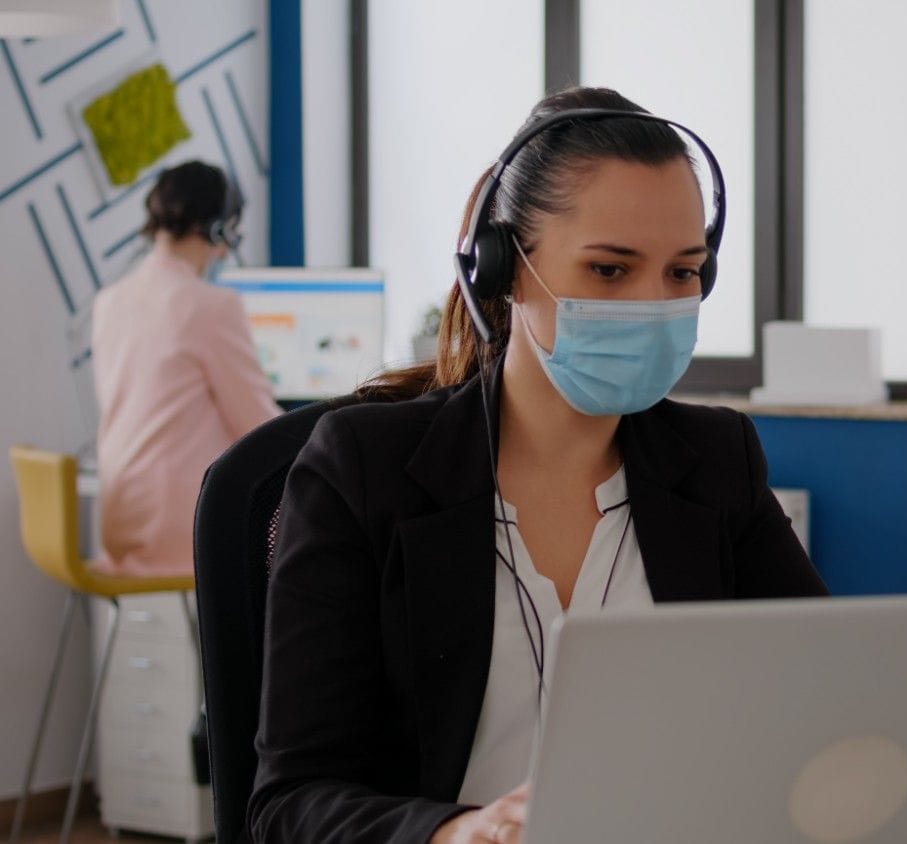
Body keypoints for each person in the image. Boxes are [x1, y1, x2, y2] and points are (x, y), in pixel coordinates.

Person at [248, 88, 828, 843]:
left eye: (683, 273)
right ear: (505, 271)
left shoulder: (719, 465)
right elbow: (289, 804)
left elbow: (825, 703)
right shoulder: (363, 470)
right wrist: (454, 834)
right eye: (610, 271)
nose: (653, 305)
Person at [92, 160, 279, 576]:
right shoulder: (210, 305)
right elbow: (258, 428)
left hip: (120, 524)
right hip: (186, 529)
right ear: (216, 229)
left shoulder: (109, 301)